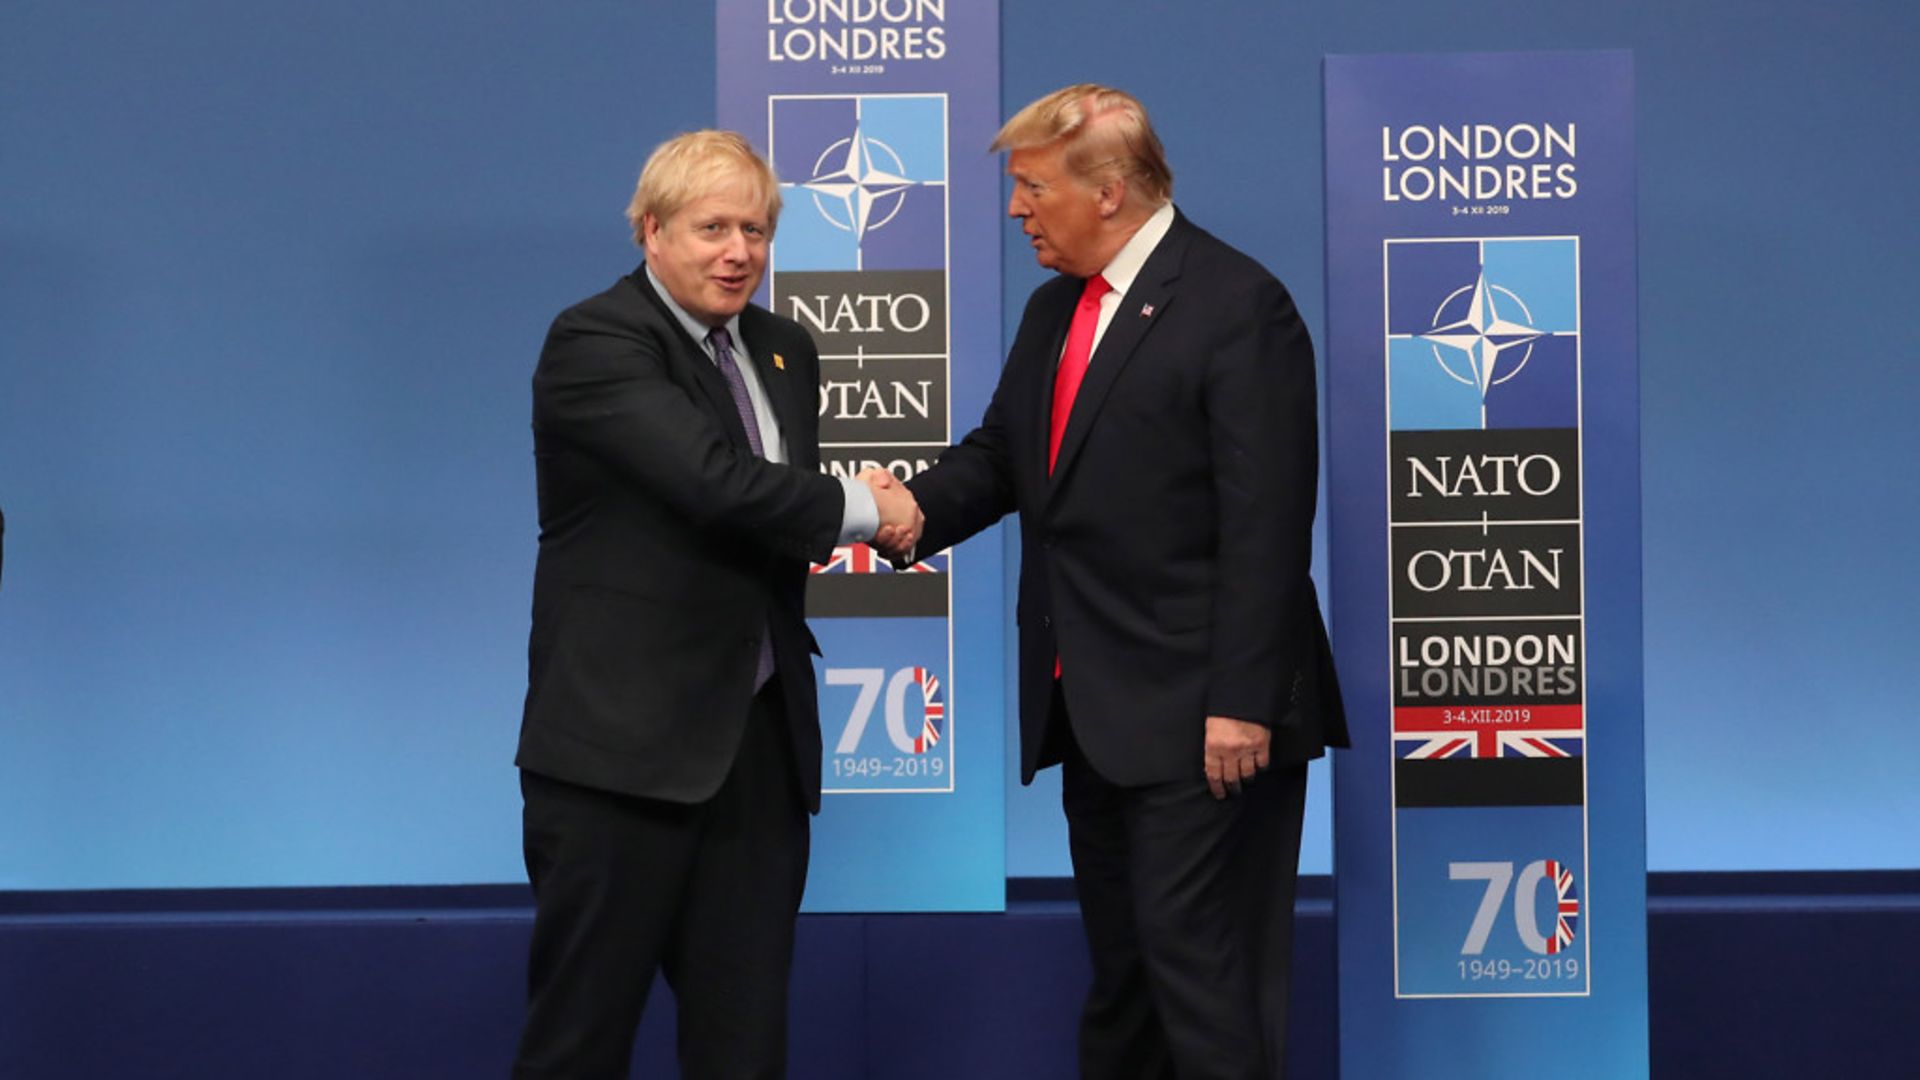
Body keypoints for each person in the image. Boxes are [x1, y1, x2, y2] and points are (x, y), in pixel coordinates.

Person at [883, 85, 1347, 1079]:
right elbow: (1006, 457)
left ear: (1110, 190)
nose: (1017, 210)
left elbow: (1267, 524)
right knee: (1127, 980)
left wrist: (1241, 702)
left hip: (1206, 718)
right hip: (1091, 707)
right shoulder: (1057, 308)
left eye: (1032, 187)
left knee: (1200, 978)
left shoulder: (1237, 304)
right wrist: (908, 512)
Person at [512, 130, 919, 1080]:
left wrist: (894, 515)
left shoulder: (783, 349)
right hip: (620, 758)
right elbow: (713, 483)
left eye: (756, 229)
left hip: (757, 751)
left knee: (744, 1043)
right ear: (651, 232)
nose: (739, 251)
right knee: (580, 1038)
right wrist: (870, 507)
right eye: (712, 228)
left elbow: (777, 517)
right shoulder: (598, 340)